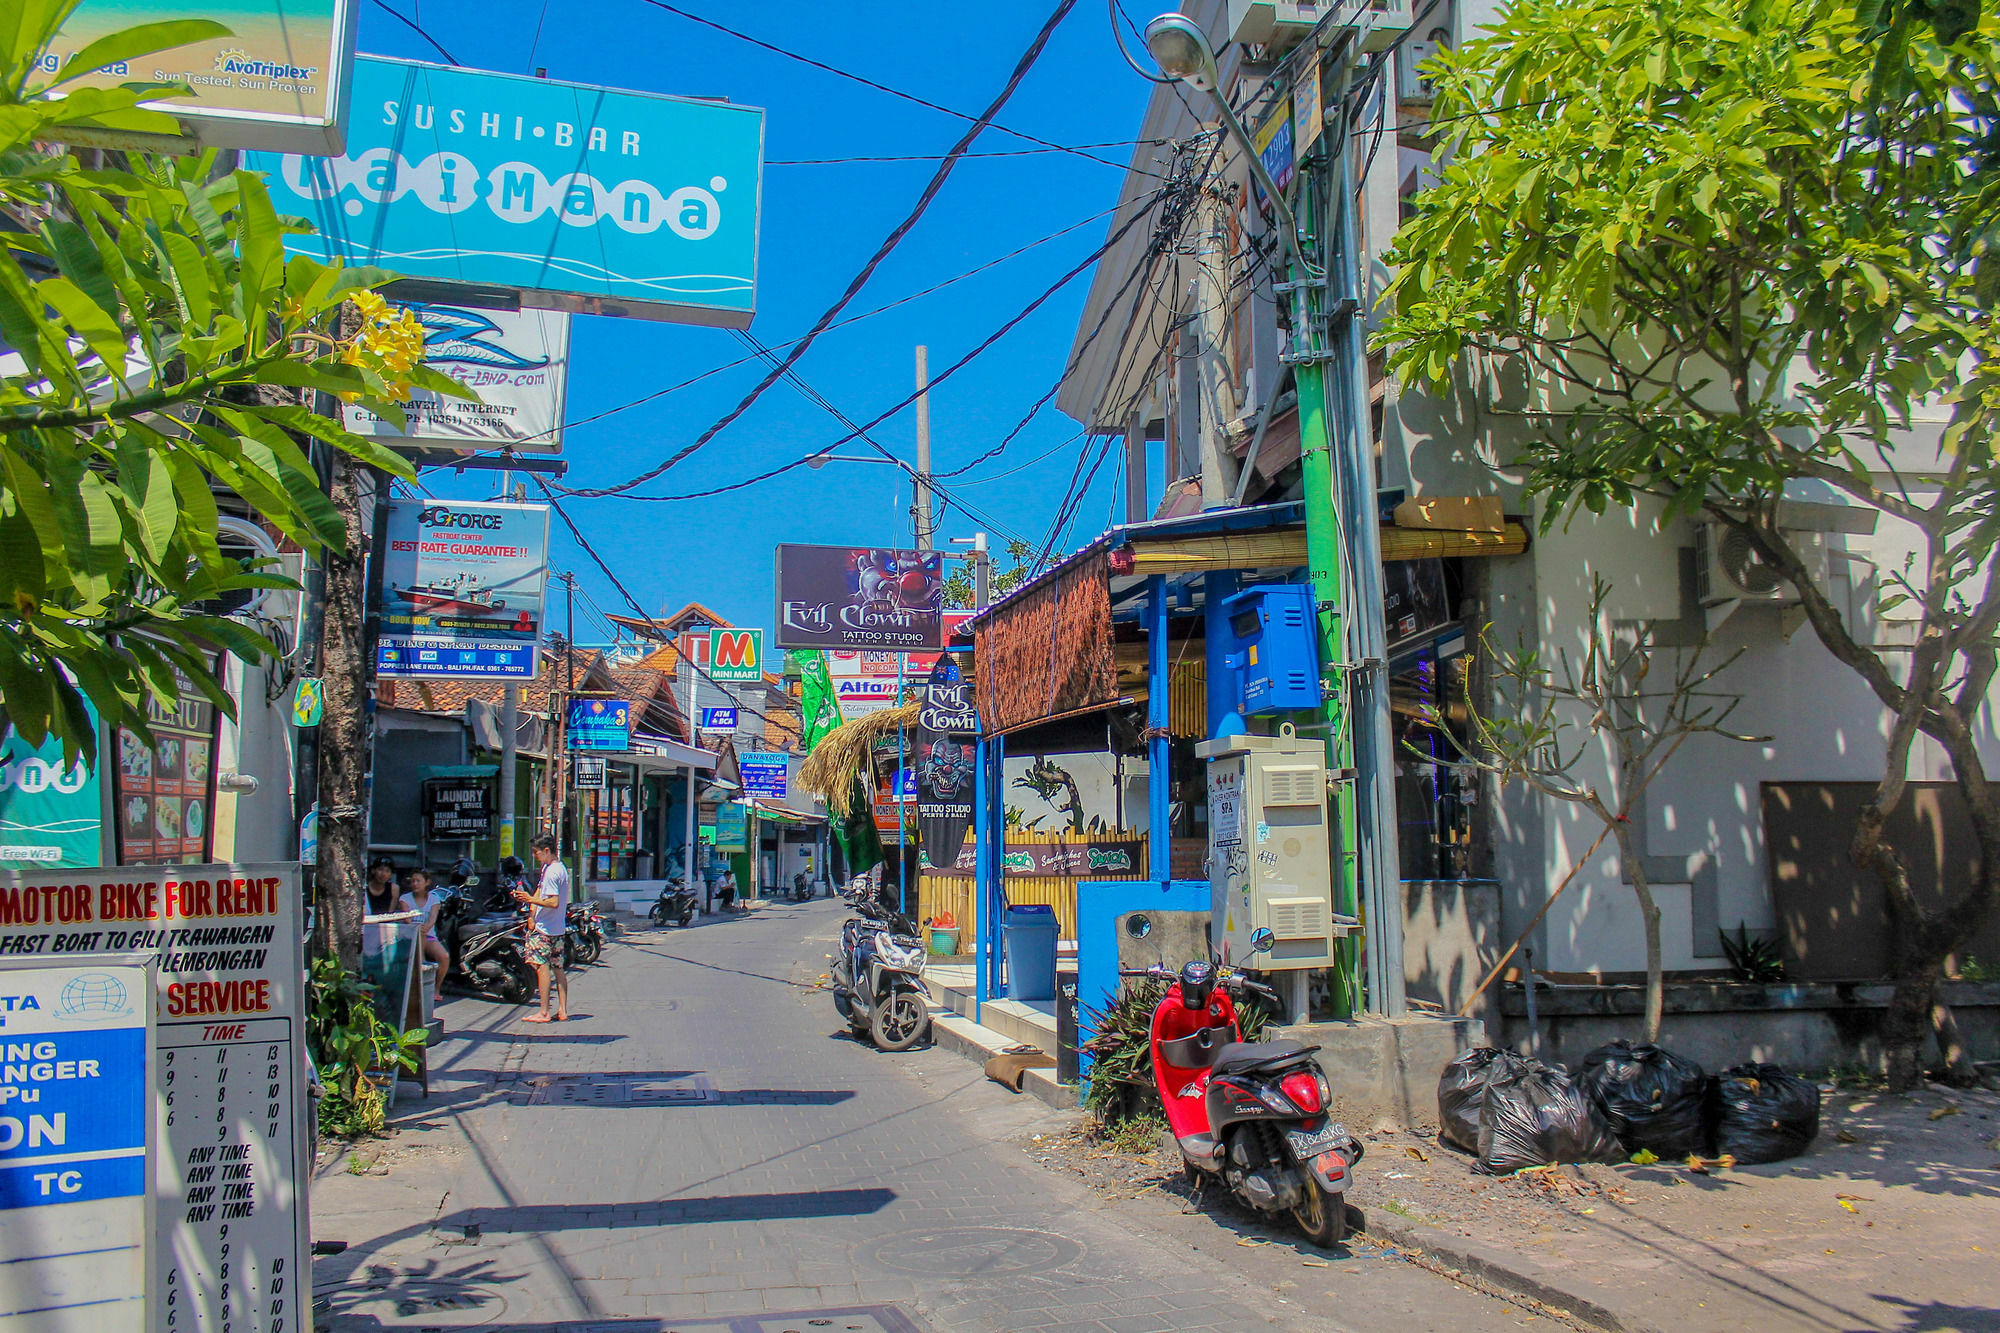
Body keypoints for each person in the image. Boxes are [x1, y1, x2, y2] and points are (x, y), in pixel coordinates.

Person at [514, 834, 569, 1023]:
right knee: (558, 967)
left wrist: (529, 899)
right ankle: (562, 1010)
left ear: (547, 851)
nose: (535, 856)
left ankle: (544, 1012)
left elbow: (553, 902)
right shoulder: (552, 868)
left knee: (542, 967)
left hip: (546, 929)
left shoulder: (553, 872)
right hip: (556, 927)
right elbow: (539, 889)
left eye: (537, 853)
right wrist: (532, 912)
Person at [405, 867, 451, 1002]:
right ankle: (421, 981)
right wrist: (418, 928)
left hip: (428, 935)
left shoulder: (434, 899)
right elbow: (407, 919)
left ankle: (436, 988)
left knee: (444, 956)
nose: (415, 884)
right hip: (411, 936)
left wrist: (425, 927)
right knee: (419, 935)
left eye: (418, 881)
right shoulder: (405, 898)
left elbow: (433, 918)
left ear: (427, 882)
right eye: (412, 881)